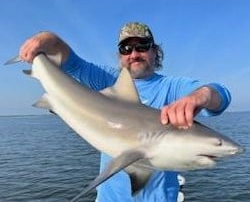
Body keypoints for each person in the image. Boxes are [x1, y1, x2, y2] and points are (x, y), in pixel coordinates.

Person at [19, 22, 231, 202]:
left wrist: (200, 96)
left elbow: (219, 94)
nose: (134, 54)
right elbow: (68, 60)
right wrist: (47, 38)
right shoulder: (105, 78)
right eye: (126, 49)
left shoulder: (172, 87)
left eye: (142, 46)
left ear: (155, 51)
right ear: (120, 55)